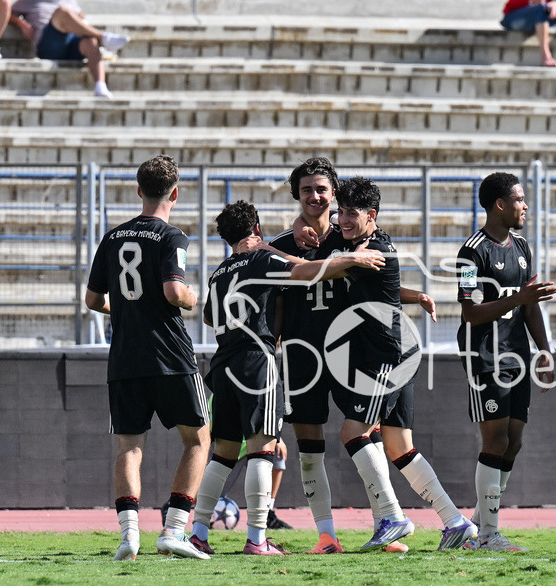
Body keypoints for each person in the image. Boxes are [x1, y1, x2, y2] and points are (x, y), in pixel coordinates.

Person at [190, 199, 385, 556]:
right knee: (262, 450)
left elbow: (208, 316)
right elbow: (304, 272)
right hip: (256, 361)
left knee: (223, 452)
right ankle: (257, 539)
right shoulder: (262, 258)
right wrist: (353, 259)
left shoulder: (218, 272)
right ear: (258, 230)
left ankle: (199, 532)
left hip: (222, 363)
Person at [268, 158, 435, 554]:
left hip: (350, 354)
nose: (315, 196)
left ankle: (386, 522)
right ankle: (327, 536)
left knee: (366, 437)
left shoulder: (351, 237)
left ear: (335, 194)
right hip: (302, 354)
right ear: (296, 194)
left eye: (322, 189)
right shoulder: (283, 245)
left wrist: (412, 295)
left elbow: (376, 283)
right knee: (310, 446)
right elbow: (277, 295)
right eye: (306, 189)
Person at [310, 176, 478, 552]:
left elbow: (325, 269)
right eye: (342, 213)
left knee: (353, 433)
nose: (344, 220)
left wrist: (297, 249)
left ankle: (391, 517)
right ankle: (455, 522)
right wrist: (416, 294)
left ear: (372, 215)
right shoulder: (352, 243)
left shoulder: (374, 248)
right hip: (398, 352)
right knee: (400, 447)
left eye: (353, 214)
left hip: (386, 356)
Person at [84, 154, 213, 561]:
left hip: (124, 357)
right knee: (197, 439)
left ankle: (129, 537)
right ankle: (174, 530)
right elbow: (175, 292)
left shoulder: (112, 237)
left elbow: (92, 300)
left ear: (139, 191)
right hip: (171, 355)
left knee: (129, 446)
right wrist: (191, 297)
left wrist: (125, 310)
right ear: (175, 193)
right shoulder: (173, 236)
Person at [456, 172, 556, 552]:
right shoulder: (471, 252)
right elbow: (470, 312)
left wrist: (544, 350)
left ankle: (481, 524)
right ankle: (487, 537)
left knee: (513, 442)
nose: (525, 206)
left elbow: (529, 304)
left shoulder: (523, 247)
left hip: (517, 355)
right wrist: (518, 298)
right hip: (484, 356)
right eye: (519, 199)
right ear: (500, 204)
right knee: (495, 439)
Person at [9, 0, 129, 98]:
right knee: (62, 12)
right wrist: (21, 23)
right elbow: (9, 12)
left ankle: (100, 85)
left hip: (71, 41)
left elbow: (81, 17)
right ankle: (103, 38)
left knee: (91, 42)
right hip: (48, 43)